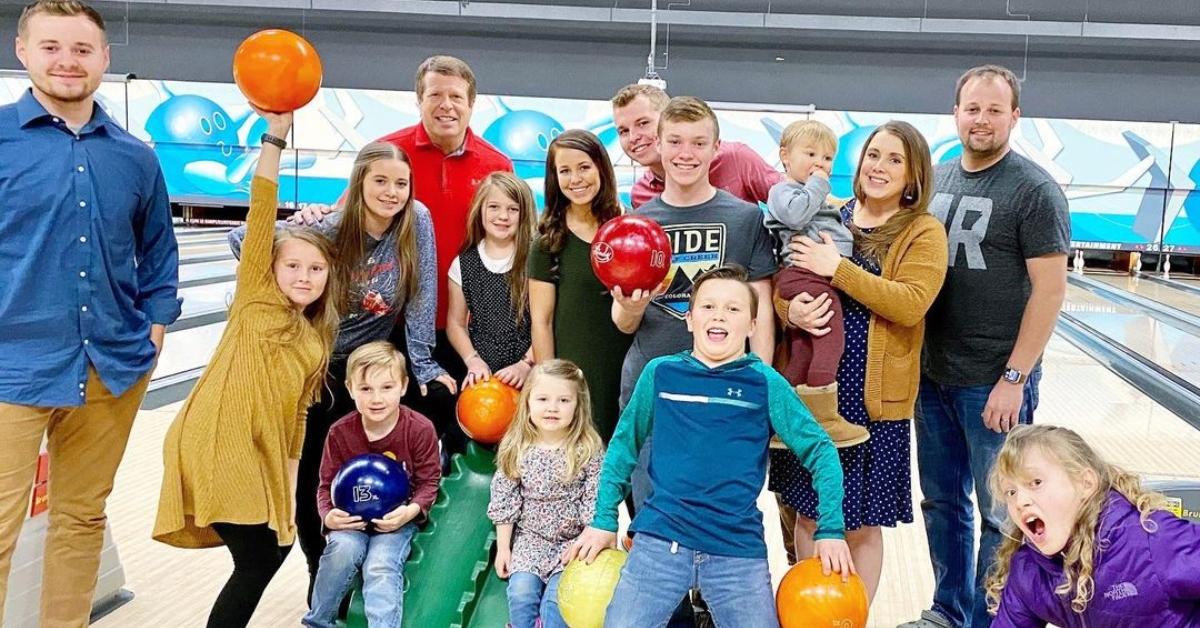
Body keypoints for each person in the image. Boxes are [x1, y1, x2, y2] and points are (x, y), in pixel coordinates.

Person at [0, 2, 180, 625]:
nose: (67, 61)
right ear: (23, 52)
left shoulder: (134, 156)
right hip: (12, 365)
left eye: (81, 49)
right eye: (52, 47)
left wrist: (156, 322)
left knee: (80, 519)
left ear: (104, 58)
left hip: (110, 363)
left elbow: (158, 249)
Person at [569, 265, 852, 628]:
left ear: (752, 325)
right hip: (661, 538)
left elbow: (821, 451)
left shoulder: (764, 382)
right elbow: (623, 449)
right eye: (708, 307)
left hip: (736, 547)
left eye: (733, 309)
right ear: (689, 319)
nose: (719, 315)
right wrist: (604, 519)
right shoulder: (660, 373)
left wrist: (830, 530)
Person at [153, 108, 342, 628]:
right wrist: (275, 138)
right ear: (272, 269)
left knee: (270, 551)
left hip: (262, 451)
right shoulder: (255, 299)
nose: (305, 276)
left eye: (316, 268)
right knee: (261, 555)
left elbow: (301, 415)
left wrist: (288, 474)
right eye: (293, 266)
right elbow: (261, 212)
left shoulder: (315, 336)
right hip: (218, 438)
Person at [229, 140, 447, 591]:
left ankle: (386, 567)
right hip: (318, 368)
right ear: (359, 183)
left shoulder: (416, 221)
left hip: (371, 368)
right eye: (380, 181)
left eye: (400, 183)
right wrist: (295, 223)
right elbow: (240, 240)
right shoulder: (332, 227)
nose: (391, 192)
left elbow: (423, 291)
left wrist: (423, 363)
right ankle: (319, 570)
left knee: (403, 444)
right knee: (314, 476)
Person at [899, 65, 1071, 628]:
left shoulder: (1034, 190)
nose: (982, 119)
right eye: (972, 108)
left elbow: (1050, 291)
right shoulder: (939, 179)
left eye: (995, 110)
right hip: (932, 377)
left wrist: (1015, 378)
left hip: (993, 381)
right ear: (955, 112)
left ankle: (992, 618)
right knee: (942, 504)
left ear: (1014, 117)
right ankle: (949, 610)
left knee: (1003, 513)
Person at [772, 120, 948, 603]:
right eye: (874, 155)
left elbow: (911, 302)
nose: (880, 166)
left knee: (863, 522)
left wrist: (838, 270)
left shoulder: (922, 232)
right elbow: (784, 282)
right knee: (809, 512)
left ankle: (851, 615)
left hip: (871, 404)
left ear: (914, 176)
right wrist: (792, 311)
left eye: (895, 159)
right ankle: (812, 609)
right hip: (814, 393)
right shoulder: (831, 215)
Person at [985, 424, 1200, 627]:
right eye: (1011, 492)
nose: (1020, 502)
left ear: (1086, 483)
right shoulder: (1029, 570)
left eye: (1036, 483)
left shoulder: (1150, 541)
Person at [303, 341, 441, 628]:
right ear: (350, 389)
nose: (376, 398)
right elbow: (325, 484)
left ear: (403, 387)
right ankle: (318, 621)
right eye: (366, 389)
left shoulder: (420, 429)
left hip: (397, 520)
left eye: (386, 388)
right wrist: (328, 514)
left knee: (380, 565)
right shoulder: (339, 432)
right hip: (351, 521)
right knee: (342, 552)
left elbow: (429, 482)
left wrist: (410, 512)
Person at [765, 119, 865, 448]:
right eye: (810, 154)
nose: (819, 165)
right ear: (785, 156)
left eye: (827, 159)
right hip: (806, 275)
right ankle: (824, 418)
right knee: (830, 341)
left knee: (804, 350)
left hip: (814, 275)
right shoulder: (784, 192)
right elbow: (795, 217)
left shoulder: (812, 195)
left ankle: (786, 419)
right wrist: (819, 184)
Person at [528, 129, 632, 443]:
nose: (576, 178)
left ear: (601, 167)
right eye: (565, 171)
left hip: (625, 365)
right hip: (575, 371)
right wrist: (550, 386)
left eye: (584, 167)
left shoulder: (627, 229)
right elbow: (541, 321)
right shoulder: (548, 241)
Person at [488, 359, 604, 628]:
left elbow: (593, 498)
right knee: (520, 595)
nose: (552, 407)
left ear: (578, 407)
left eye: (564, 400)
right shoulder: (516, 447)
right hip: (531, 541)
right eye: (542, 399)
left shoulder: (587, 448)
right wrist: (504, 548)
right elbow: (505, 501)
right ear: (527, 403)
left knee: (557, 606)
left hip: (572, 544)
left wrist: (586, 540)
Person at [611, 83, 781, 208]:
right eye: (623, 131)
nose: (633, 137)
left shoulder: (736, 158)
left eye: (643, 123)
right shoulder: (641, 195)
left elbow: (796, 205)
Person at [447, 172, 538, 390]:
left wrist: (526, 364)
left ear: (524, 214)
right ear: (481, 210)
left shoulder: (536, 259)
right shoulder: (463, 264)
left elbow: (547, 322)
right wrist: (472, 360)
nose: (503, 216)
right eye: (494, 207)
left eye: (513, 209)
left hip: (530, 371)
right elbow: (455, 323)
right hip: (483, 374)